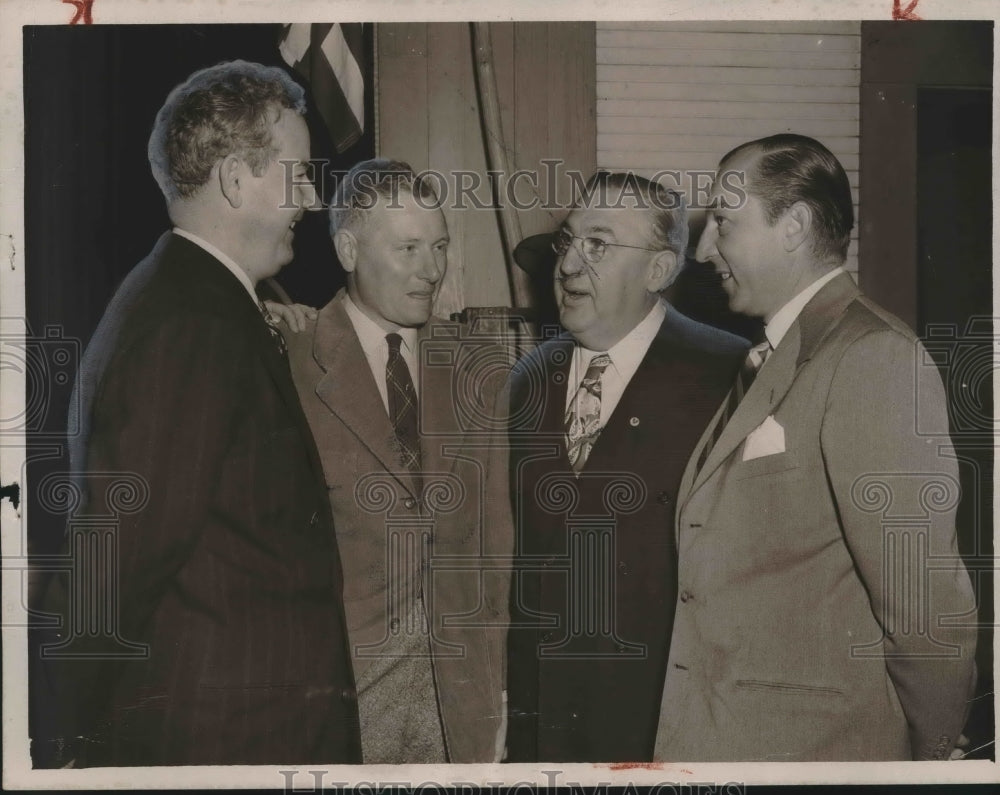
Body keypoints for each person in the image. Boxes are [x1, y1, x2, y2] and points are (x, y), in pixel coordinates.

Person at [33, 60, 361, 767]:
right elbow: (114, 566)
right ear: (237, 180)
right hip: (228, 740)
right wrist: (54, 740)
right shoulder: (193, 324)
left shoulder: (190, 300)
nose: (309, 198)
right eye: (297, 174)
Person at [653, 134, 977, 761]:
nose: (703, 248)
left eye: (723, 221)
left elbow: (923, 602)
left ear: (794, 225)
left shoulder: (871, 357)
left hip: (817, 750)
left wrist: (931, 753)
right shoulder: (775, 355)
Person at [504, 171, 749, 762]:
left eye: (599, 244)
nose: (567, 266)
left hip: (664, 728)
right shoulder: (528, 380)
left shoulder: (730, 378)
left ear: (659, 272)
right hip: (544, 730)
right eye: (568, 242)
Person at [281, 158, 512, 763]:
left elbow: (497, 544)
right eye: (408, 248)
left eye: (439, 247)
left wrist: (499, 690)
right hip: (341, 688)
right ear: (349, 249)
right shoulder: (287, 359)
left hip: (460, 698)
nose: (432, 270)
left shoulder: (478, 369)